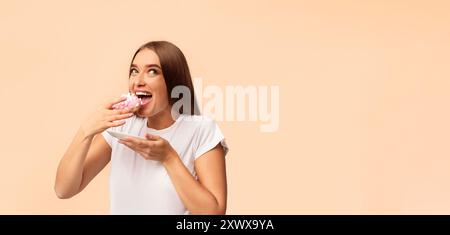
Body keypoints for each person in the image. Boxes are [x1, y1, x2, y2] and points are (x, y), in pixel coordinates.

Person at [54, 41, 228, 214]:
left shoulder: (201, 129)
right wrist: (86, 131)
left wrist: (169, 157)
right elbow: (64, 190)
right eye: (134, 71)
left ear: (172, 80)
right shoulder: (123, 123)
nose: (138, 81)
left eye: (152, 71)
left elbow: (214, 214)